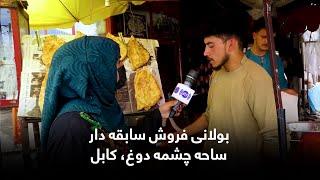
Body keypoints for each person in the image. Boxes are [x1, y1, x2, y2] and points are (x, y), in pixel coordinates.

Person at [40, 35, 179, 168]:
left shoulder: (98, 108)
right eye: (117, 61)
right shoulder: (70, 127)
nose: (121, 66)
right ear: (97, 70)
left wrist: (159, 114)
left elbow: (124, 141)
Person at [181, 23, 280, 165]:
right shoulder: (215, 75)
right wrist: (180, 135)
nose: (205, 52)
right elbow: (210, 116)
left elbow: (273, 137)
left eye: (211, 45)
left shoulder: (256, 79)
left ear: (230, 45)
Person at [245, 17, 289, 91]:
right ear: (254, 36)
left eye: (271, 38)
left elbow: (282, 87)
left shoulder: (276, 60)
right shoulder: (244, 59)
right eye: (263, 37)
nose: (267, 41)